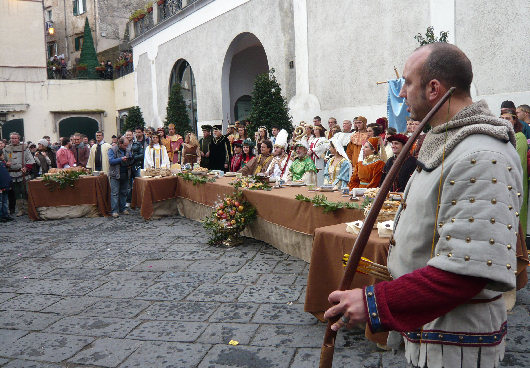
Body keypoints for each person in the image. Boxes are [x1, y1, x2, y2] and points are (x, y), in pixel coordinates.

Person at [325, 42, 524, 368]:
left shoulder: (482, 154)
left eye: (406, 82)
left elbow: (467, 272)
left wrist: (373, 303)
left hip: (456, 343)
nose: (401, 93)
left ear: (434, 88)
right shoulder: (450, 141)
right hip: (430, 329)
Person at [500, 112, 527, 235]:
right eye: (502, 118)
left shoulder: (519, 136)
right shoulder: (500, 135)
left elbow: (519, 162)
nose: (505, 120)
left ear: (514, 121)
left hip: (515, 179)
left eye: (508, 118)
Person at [4, 132, 35, 216]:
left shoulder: (24, 148)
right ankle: (21, 209)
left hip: (23, 173)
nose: (14, 140)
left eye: (15, 138)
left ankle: (27, 208)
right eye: (12, 138)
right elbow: (3, 160)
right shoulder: (6, 149)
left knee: (25, 191)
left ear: (18, 139)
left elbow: (30, 160)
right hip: (12, 174)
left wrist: (26, 167)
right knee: (16, 192)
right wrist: (6, 163)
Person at [108, 137, 132, 217]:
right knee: (115, 193)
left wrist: (130, 160)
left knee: (124, 192)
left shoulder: (128, 150)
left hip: (125, 173)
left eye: (127, 145)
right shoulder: (112, 149)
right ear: (120, 144)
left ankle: (123, 209)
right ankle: (114, 211)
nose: (126, 147)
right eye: (125, 145)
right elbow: (111, 161)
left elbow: (131, 158)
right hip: (115, 174)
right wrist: (120, 159)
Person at [0, 149, 13, 222]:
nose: (3, 156)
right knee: (1, 202)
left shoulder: (3, 163)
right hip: (1, 187)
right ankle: (1, 216)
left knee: (5, 201)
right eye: (2, 155)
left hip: (5, 186)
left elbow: (6, 176)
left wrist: (9, 184)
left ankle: (5, 214)